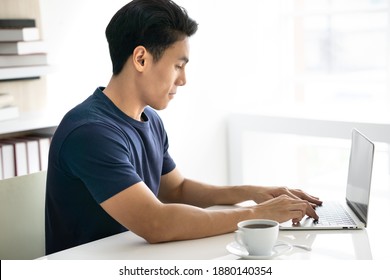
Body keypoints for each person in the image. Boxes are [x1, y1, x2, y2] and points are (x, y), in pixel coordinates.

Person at [45, 0, 322, 255]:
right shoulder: (90, 132)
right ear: (141, 59)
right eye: (178, 66)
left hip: (138, 258)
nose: (183, 80)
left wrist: (253, 192)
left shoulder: (149, 119)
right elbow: (156, 223)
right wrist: (259, 214)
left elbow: (176, 190)